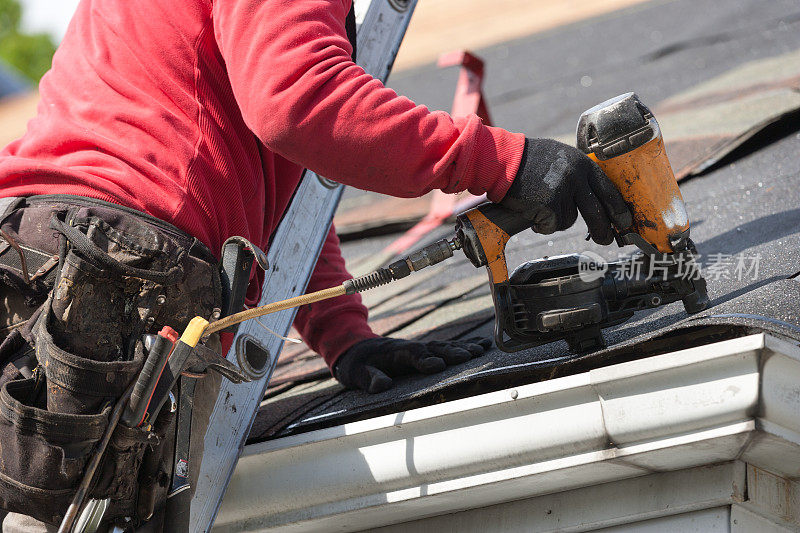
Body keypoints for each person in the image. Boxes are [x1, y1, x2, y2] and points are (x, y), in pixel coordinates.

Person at [0, 0, 632, 530]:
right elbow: (300, 103)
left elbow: (283, 187)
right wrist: (504, 162)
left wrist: (344, 335)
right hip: (111, 266)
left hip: (39, 254)